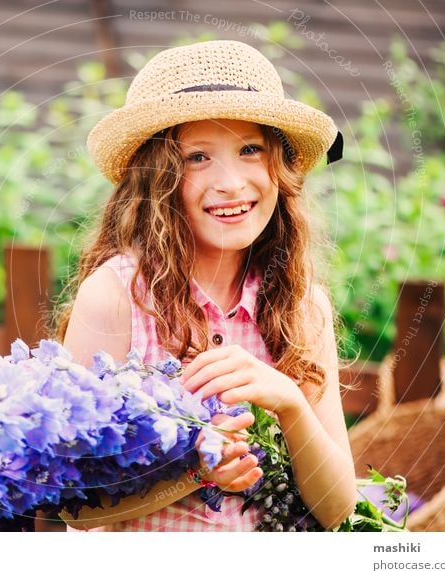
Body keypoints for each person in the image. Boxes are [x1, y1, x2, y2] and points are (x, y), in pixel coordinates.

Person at [50, 39, 356, 532]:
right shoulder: (115, 298)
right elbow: (74, 506)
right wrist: (194, 470)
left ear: (278, 166)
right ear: (157, 179)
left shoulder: (300, 306)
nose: (231, 182)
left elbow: (338, 508)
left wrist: (291, 404)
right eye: (197, 158)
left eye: (250, 150)